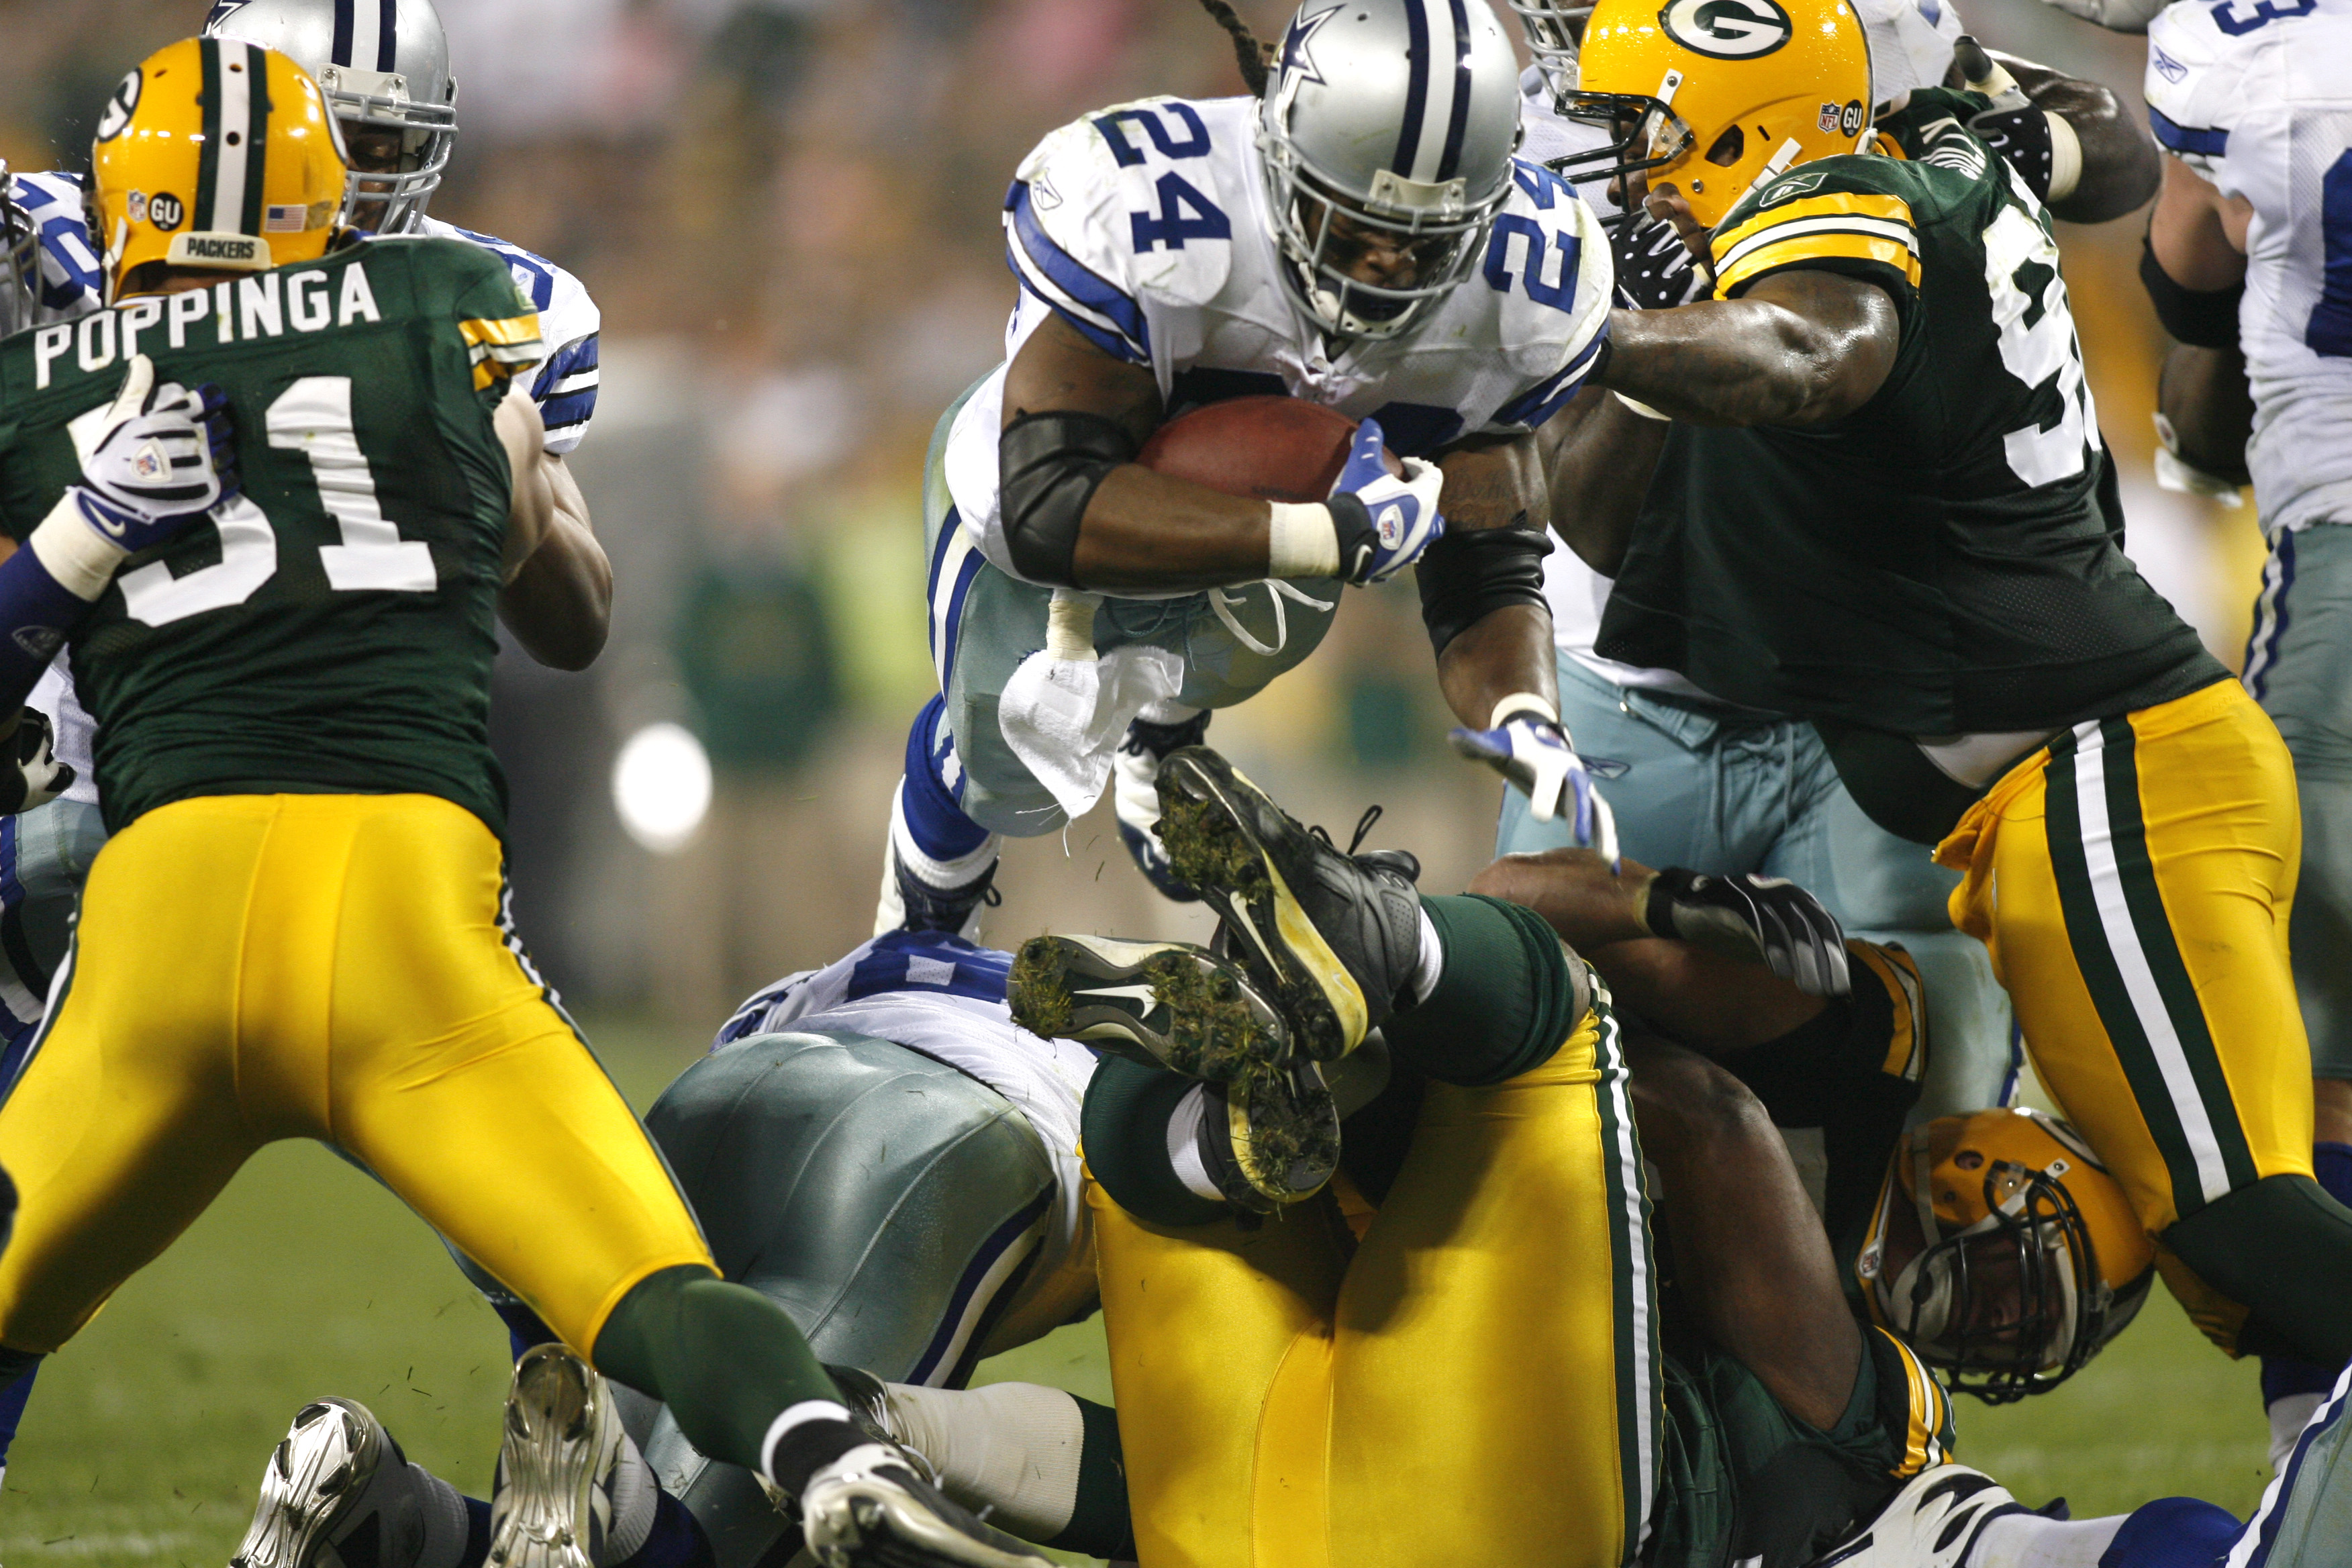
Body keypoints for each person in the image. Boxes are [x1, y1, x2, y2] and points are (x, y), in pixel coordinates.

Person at [0, 39, 1038, 1568]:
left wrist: (76, 542)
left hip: (156, 891)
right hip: (396, 899)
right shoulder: (465, 313)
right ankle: (816, 1449)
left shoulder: (46, 361)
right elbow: (569, 611)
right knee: (638, 1275)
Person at [1551, 0, 2352, 1407]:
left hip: (2111, 783)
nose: (1625, 166)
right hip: (2073, 795)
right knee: (2225, 1248)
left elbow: (1816, 349)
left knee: (2245, 1225)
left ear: (1757, 115)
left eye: (1650, 136)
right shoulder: (1893, 165)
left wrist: (1598, 333)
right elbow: (1611, 522)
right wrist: (1646, 339)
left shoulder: (1843, 194)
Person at [0, 0, 609, 1477]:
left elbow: (573, 618)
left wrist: (510, 472)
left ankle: (573, 1409)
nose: (370, 179)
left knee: (481, 1095)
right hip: (57, 717)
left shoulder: (471, 298)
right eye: (345, 139)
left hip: (273, 752)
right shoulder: (33, 245)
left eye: (397, 146)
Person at [1490, 0, 2166, 1126]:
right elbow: (1596, 517)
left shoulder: (1836, 45)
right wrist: (1674, 321)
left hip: (1869, 695)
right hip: (1631, 691)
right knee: (1553, 1084)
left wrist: (2003, 144)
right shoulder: (1526, 149)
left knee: (1930, 1114)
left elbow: (2123, 158)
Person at [875, 0, 1622, 941]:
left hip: (1279, 517)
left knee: (1289, 571)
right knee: (1009, 752)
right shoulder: (1149, 204)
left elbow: (1489, 560)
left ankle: (1166, 724)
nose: (1385, 271)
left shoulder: (1528, 286)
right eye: (1352, 228)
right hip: (1058, 501)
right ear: (1278, 153)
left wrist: (1524, 714)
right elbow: (1047, 504)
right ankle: (915, 940)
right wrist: (1321, 536)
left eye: (1424, 242)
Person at [231, 929, 1136, 1568]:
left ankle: (389, 1520)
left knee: (609, 1532)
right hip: (925, 1150)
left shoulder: (914, 956)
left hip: (717, 1098)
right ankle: (581, 1489)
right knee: (704, 1548)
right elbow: (1192, 1470)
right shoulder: (1158, 1067)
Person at [2094, 0, 2352, 1463]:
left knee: (2302, 1074)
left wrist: (2201, 414)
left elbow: (2192, 260)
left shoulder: (2247, 44)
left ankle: (2322, 1468)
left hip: (2342, 582)